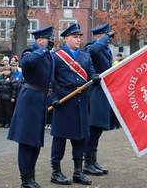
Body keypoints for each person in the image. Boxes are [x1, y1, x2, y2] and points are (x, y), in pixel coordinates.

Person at [7, 26, 55, 188]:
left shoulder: (48, 55)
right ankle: (25, 179)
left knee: (35, 141)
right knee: (26, 140)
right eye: (49, 39)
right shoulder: (30, 52)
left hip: (40, 100)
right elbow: (26, 62)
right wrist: (42, 50)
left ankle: (31, 178)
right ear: (40, 39)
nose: (51, 42)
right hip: (29, 100)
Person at [50, 23, 95, 185]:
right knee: (60, 139)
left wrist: (95, 78)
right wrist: (53, 98)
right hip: (64, 101)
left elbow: (91, 75)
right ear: (66, 38)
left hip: (81, 101)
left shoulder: (85, 56)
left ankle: (78, 172)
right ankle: (56, 172)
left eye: (79, 37)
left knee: (80, 139)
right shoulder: (56, 56)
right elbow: (51, 80)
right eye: (75, 37)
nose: (78, 40)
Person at [84, 23, 116, 176]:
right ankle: (87, 163)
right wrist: (105, 39)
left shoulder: (104, 49)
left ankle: (92, 161)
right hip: (94, 93)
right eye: (105, 36)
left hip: (103, 93)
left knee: (98, 130)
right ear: (98, 36)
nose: (108, 39)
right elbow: (95, 49)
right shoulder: (92, 47)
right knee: (93, 128)